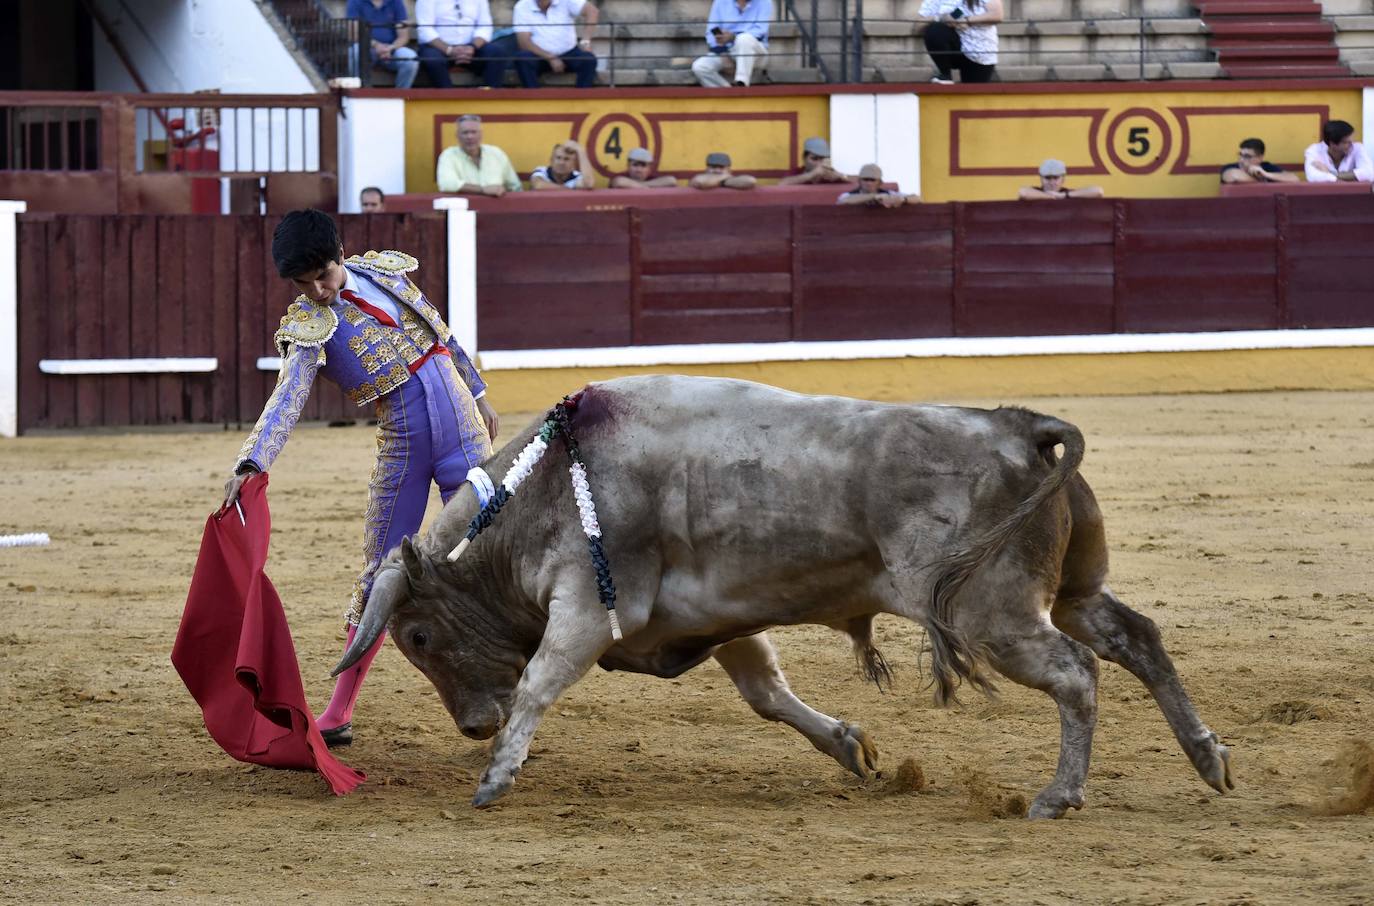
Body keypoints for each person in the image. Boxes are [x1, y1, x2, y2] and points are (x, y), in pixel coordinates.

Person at [221, 209, 498, 748]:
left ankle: (513, 697)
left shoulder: (388, 274)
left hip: (465, 432)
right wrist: (253, 461)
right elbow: (287, 397)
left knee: (492, 557)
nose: (317, 291)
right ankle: (340, 706)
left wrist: (479, 391)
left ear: (340, 255)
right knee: (381, 572)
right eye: (304, 284)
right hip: (405, 445)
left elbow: (438, 332)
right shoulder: (307, 326)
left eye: (322, 276)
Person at [414, 0, 515, 89]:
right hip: (439, 48)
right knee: (432, 59)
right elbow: (425, 30)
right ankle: (448, 100)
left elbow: (485, 27)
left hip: (471, 48)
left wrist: (472, 47)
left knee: (496, 53)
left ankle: (490, 97)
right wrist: (449, 50)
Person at [512, 0, 600, 88]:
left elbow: (592, 11)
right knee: (522, 58)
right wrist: (550, 57)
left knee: (588, 60)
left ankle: (581, 98)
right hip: (539, 56)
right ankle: (534, 98)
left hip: (569, 52)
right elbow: (524, 42)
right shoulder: (522, 6)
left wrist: (586, 40)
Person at [435, 114, 522, 196]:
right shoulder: (448, 155)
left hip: (497, 209)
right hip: (463, 210)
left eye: (474, 132)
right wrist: (482, 189)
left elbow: (514, 186)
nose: (470, 137)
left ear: (481, 134)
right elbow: (447, 184)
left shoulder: (496, 154)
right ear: (457, 135)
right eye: (465, 132)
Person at [918, 0, 1002, 84]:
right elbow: (917, 26)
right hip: (953, 47)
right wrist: (941, 18)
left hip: (979, 52)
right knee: (935, 28)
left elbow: (997, 15)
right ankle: (945, 75)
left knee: (973, 93)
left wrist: (966, 20)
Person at [691, 0, 771, 88]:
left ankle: (741, 83)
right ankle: (729, 93)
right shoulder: (720, 2)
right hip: (728, 51)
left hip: (756, 52)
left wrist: (733, 37)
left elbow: (760, 31)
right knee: (700, 67)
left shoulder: (764, 2)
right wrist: (722, 52)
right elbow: (711, 31)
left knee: (744, 38)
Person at [347, 0, 421, 89]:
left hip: (391, 50)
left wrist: (390, 48)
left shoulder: (396, 2)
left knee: (411, 58)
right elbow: (354, 34)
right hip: (367, 48)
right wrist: (376, 45)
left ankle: (400, 95)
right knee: (355, 51)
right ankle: (358, 92)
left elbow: (403, 36)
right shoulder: (355, 2)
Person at [1303, 119, 1374, 184]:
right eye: (1347, 142)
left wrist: (1331, 173)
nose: (1352, 145)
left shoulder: (1357, 148)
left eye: (1352, 141)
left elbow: (1369, 173)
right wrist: (1347, 180)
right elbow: (1312, 177)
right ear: (1333, 144)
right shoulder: (1314, 150)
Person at [1220, 138, 1298, 185]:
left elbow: (1294, 178)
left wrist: (1265, 174)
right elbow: (1234, 175)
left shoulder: (1266, 167)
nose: (1241, 159)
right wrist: (1263, 181)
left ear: (1260, 158)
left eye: (1247, 156)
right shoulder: (1230, 167)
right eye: (1240, 154)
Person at [836, 163, 920, 206]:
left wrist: (903, 199)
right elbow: (843, 201)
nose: (868, 183)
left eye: (872, 180)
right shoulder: (849, 195)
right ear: (859, 181)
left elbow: (917, 198)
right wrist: (874, 196)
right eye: (865, 179)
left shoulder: (888, 194)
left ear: (880, 183)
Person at [1018, 159, 1104, 200]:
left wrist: (1063, 195)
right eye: (1047, 178)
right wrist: (1051, 196)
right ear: (1041, 178)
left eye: (1056, 178)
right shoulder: (1036, 192)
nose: (1052, 182)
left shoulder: (1068, 194)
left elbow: (1098, 191)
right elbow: (1023, 193)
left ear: (1063, 179)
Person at [778, 136, 850, 185]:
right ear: (804, 158)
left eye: (823, 159)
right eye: (814, 158)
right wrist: (812, 174)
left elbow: (857, 182)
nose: (819, 163)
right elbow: (781, 184)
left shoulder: (831, 173)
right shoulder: (797, 172)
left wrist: (840, 176)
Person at [530, 140, 596, 190]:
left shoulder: (576, 176)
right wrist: (570, 190)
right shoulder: (542, 171)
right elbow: (538, 185)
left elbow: (589, 184)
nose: (561, 162)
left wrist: (580, 150)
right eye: (558, 158)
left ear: (574, 164)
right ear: (551, 161)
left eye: (566, 159)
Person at [609, 148, 678, 188]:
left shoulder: (652, 178)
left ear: (649, 169)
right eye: (635, 165)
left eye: (643, 166)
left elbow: (672, 180)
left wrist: (640, 185)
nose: (639, 170)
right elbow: (619, 182)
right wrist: (649, 187)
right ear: (628, 166)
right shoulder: (622, 176)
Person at [689, 152, 757, 190]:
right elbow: (700, 182)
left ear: (729, 170)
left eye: (721, 167)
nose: (717, 170)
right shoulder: (699, 178)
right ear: (707, 169)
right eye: (713, 167)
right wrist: (723, 178)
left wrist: (723, 182)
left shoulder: (729, 179)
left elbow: (751, 181)